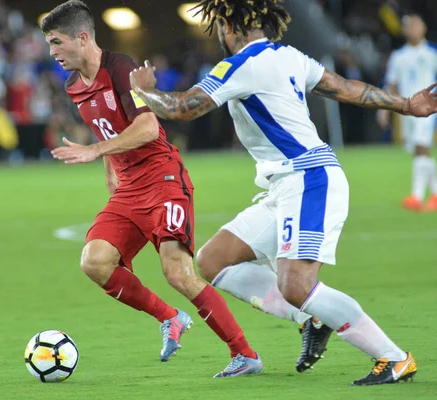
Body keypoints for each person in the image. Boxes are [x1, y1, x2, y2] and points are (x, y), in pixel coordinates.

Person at [129, 0, 437, 386]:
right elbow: (343, 88)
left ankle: (393, 358)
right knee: (213, 260)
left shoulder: (240, 65)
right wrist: (405, 104)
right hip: (285, 184)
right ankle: (311, 316)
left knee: (296, 285)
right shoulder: (289, 55)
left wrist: (146, 92)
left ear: (230, 24)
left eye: (221, 25)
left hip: (308, 179)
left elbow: (183, 108)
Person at [41, 0, 261, 378]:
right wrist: (110, 171)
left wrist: (94, 152)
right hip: (128, 190)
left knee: (178, 272)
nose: (52, 52)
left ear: (81, 37)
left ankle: (245, 354)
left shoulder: (121, 68)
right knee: (94, 261)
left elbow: (145, 128)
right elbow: (110, 130)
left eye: (57, 42)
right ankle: (170, 317)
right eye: (49, 44)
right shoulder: (75, 86)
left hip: (163, 179)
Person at [377, 14, 437, 212]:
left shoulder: (432, 53)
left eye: (415, 25)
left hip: (428, 109)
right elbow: (391, 83)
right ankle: (435, 195)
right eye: (408, 27)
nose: (411, 29)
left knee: (422, 147)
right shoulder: (398, 56)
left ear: (423, 28)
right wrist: (384, 109)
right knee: (419, 152)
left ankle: (417, 197)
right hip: (406, 109)